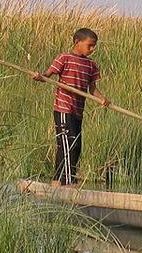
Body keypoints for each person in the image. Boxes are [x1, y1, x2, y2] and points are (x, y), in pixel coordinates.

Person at [33, 28, 109, 186]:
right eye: (90, 45)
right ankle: (67, 182)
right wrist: (39, 77)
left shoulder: (90, 65)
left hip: (78, 111)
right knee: (68, 144)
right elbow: (47, 76)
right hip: (63, 108)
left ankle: (58, 181)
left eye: (94, 46)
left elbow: (92, 88)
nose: (92, 49)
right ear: (77, 43)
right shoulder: (64, 58)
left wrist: (102, 99)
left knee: (76, 146)